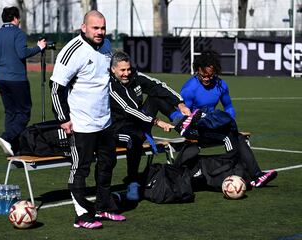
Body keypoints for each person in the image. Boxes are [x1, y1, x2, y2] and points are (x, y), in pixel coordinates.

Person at [49, 10, 125, 230]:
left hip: (105, 122)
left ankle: (103, 207)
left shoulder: (107, 46)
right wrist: (63, 118)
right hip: (81, 123)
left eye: (102, 28)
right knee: (80, 168)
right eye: (95, 28)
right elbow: (56, 88)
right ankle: (82, 214)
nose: (100, 32)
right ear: (84, 27)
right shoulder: (72, 51)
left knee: (107, 165)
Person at [173, 50, 277, 188]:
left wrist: (230, 119)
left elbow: (229, 107)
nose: (207, 79)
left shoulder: (221, 85)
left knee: (238, 137)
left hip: (215, 125)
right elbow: (180, 115)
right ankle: (234, 173)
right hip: (197, 131)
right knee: (230, 137)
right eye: (203, 75)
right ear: (197, 70)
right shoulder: (190, 89)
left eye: (210, 75)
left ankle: (257, 176)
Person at [109, 51, 200, 201]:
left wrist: (180, 103)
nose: (127, 73)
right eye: (122, 70)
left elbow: (158, 85)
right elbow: (129, 109)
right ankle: (132, 183)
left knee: (156, 96)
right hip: (118, 128)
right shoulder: (110, 85)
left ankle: (180, 123)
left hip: (139, 120)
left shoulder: (135, 76)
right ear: (113, 69)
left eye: (128, 69)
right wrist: (156, 121)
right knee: (134, 139)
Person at [0, 6, 46, 156]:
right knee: (24, 113)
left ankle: (12, 147)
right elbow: (22, 53)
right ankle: (7, 137)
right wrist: (39, 47)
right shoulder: (18, 33)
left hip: (1, 79)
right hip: (17, 79)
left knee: (10, 112)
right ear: (16, 18)